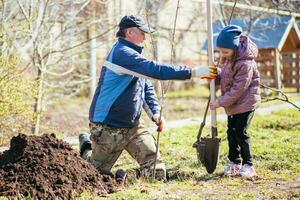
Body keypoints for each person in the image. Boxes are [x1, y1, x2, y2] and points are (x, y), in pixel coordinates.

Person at [79, 15, 217, 181]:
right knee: (93, 172)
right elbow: (156, 70)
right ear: (129, 32)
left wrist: (156, 113)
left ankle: (146, 184)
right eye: (142, 32)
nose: (145, 36)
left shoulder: (134, 57)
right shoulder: (122, 53)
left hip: (132, 125)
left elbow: (145, 87)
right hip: (108, 125)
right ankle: (87, 148)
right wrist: (193, 72)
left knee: (156, 171)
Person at [210, 25, 261, 178]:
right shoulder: (227, 58)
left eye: (225, 51)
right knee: (231, 132)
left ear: (236, 48)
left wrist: (221, 102)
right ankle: (235, 163)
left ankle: (249, 165)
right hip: (234, 104)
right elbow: (225, 77)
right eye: (220, 51)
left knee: (240, 132)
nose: (222, 54)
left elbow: (239, 88)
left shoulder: (246, 63)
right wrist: (215, 76)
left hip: (246, 102)